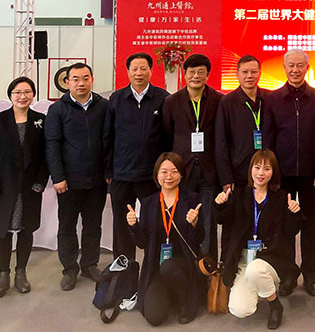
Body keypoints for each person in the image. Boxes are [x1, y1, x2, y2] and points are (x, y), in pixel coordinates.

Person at [263, 49, 315, 297]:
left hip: (311, 175)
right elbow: (268, 140)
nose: (295, 70)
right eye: (291, 65)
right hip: (283, 176)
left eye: (300, 65)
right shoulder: (273, 99)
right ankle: (288, 273)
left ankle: (310, 273)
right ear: (284, 67)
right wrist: (272, 175)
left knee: (310, 225)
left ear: (307, 68)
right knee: (284, 226)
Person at [215, 149, 302, 330]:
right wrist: (219, 204)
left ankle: (274, 304)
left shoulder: (281, 197)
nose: (261, 173)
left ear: (273, 172)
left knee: (256, 270)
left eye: (267, 169)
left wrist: (294, 213)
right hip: (245, 259)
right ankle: (258, 285)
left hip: (272, 258)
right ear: (251, 170)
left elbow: (291, 231)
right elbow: (222, 219)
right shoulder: (239, 194)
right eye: (257, 167)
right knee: (239, 309)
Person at [0, 77, 48, 298]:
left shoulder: (41, 120)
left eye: (27, 92)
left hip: (29, 187)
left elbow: (46, 155)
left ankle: (21, 273)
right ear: (10, 95)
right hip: (3, 186)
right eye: (17, 92)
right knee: (3, 232)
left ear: (33, 94)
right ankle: (3, 275)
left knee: (26, 229)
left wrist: (40, 181)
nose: (22, 96)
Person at [45, 62, 109, 291]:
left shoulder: (104, 106)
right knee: (67, 226)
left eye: (85, 78)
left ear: (92, 80)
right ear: (67, 82)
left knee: (93, 225)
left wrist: (108, 172)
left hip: (97, 179)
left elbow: (109, 141)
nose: (81, 83)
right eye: (75, 79)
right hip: (69, 181)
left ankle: (89, 264)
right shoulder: (57, 109)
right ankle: (70, 268)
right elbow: (52, 144)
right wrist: (58, 176)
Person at [104, 52, 169, 263]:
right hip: (122, 174)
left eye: (143, 68)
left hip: (151, 175)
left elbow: (168, 137)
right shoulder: (116, 99)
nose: (139, 73)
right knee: (122, 223)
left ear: (151, 70)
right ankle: (124, 266)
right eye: (134, 69)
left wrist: (164, 170)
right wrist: (108, 169)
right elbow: (108, 137)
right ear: (128, 72)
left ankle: (154, 265)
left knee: (155, 221)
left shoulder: (162, 98)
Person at [128, 152, 205, 326]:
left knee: (169, 267)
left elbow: (199, 239)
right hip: (158, 266)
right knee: (154, 317)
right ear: (157, 175)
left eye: (174, 171)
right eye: (164, 172)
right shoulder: (148, 203)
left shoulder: (191, 199)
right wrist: (134, 226)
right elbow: (142, 243)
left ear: (182, 174)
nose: (169, 176)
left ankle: (185, 303)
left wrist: (194, 224)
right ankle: (170, 294)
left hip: (183, 263)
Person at [162, 53, 223, 255]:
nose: (195, 76)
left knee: (208, 219)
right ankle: (184, 259)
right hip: (183, 169)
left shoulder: (218, 100)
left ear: (207, 75)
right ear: (185, 74)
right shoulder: (172, 102)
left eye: (200, 72)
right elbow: (168, 135)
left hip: (209, 169)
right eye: (191, 72)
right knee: (183, 215)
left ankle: (207, 264)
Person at [215, 55, 270, 195]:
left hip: (267, 172)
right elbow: (221, 142)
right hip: (239, 173)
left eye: (254, 72)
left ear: (260, 73)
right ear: (237, 74)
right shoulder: (227, 102)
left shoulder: (271, 98)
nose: (249, 76)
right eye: (245, 72)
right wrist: (226, 178)